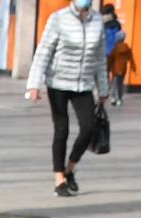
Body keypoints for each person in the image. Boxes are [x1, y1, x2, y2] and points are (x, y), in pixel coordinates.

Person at [25, 0, 110, 195]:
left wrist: (103, 89)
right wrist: (33, 84)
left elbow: (99, 58)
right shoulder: (59, 18)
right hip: (58, 82)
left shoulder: (97, 20)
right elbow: (43, 51)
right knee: (61, 129)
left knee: (88, 127)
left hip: (83, 84)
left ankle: (69, 169)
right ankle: (59, 180)